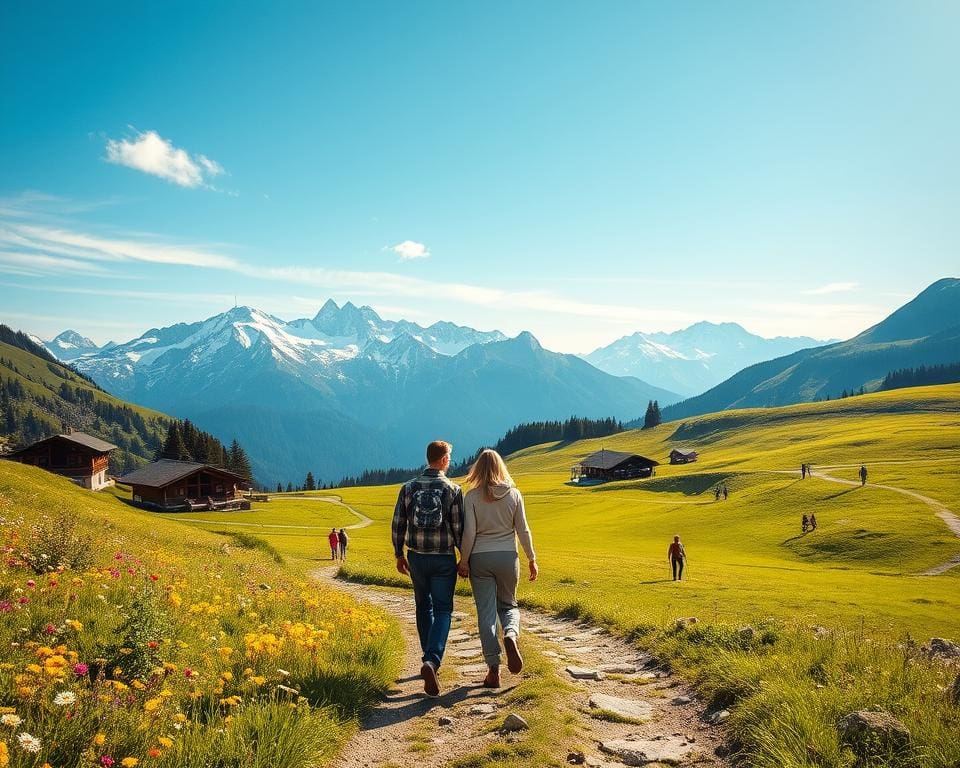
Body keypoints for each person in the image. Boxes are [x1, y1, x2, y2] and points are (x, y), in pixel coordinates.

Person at [457, 449, 537, 689]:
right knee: (509, 605)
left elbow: (469, 533)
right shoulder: (514, 494)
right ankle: (511, 634)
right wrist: (531, 558)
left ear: (477, 470)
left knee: (486, 613)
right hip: (507, 557)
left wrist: (463, 561)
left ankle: (494, 669)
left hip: (480, 558)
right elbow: (523, 530)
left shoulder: (471, 497)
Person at [392, 440, 464, 697]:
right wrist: (463, 556)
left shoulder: (408, 487)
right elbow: (458, 528)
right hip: (443, 558)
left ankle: (427, 658)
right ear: (444, 460)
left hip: (417, 558)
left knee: (423, 606)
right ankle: (432, 660)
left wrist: (399, 554)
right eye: (450, 458)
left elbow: (398, 522)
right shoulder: (453, 489)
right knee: (443, 608)